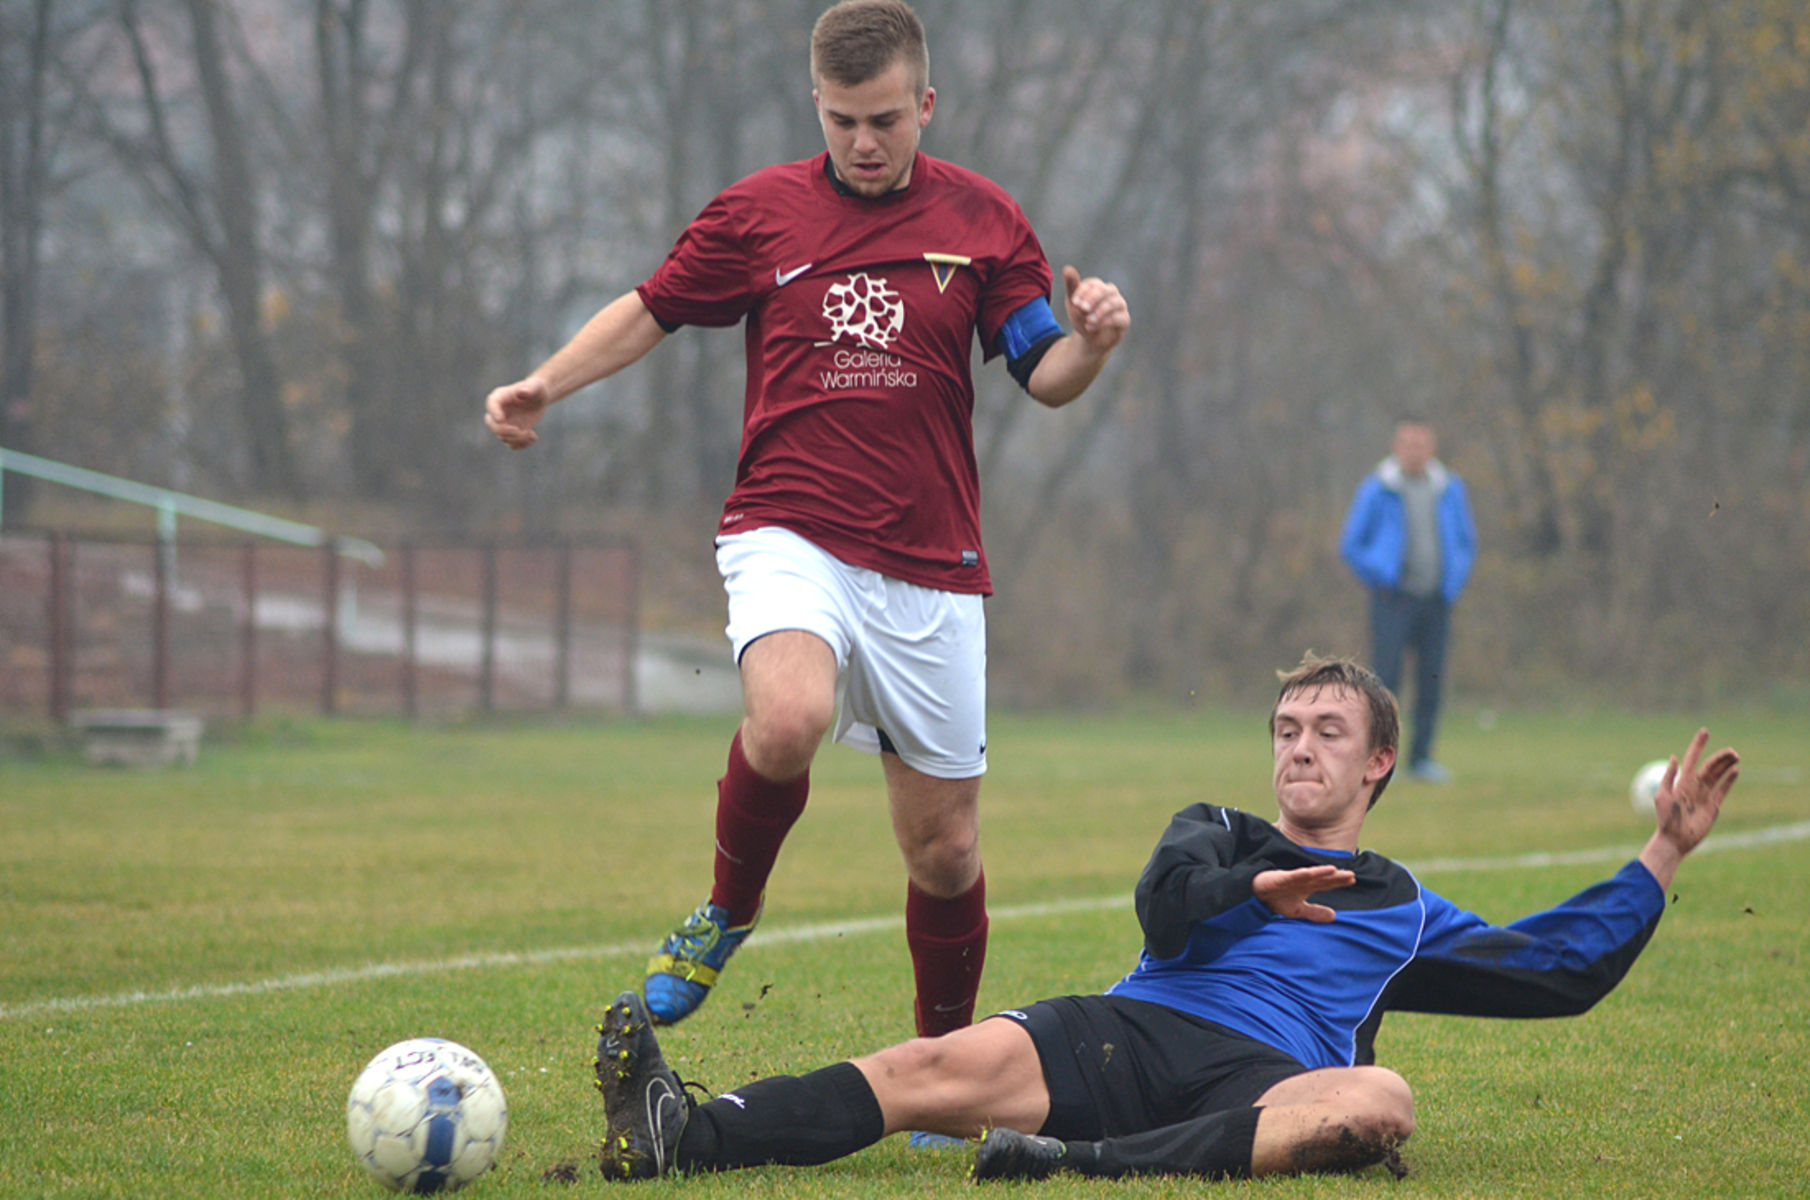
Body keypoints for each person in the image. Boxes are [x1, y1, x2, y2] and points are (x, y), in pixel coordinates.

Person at [482, 0, 1129, 1041]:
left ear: (925, 104)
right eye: (840, 121)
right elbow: (649, 307)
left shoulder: (985, 222)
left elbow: (1044, 375)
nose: (863, 143)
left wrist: (1094, 342)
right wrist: (543, 386)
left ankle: (940, 1059)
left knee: (945, 853)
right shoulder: (757, 214)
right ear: (815, 108)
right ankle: (726, 911)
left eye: (883, 120)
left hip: (931, 560)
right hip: (789, 527)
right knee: (787, 718)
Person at [588, 653, 1739, 1183]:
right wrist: (1254, 888)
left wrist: (1663, 848)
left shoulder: (1400, 907)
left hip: (1263, 1079)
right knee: (927, 1064)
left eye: (1325, 732)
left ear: (1378, 760)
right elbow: (1161, 908)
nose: (1298, 747)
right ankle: (682, 1133)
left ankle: (1074, 1165)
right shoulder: (1220, 830)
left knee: (1379, 1100)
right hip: (1127, 1033)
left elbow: (1554, 968)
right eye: (1286, 729)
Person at [1340, 418, 1477, 783]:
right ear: (1396, 445)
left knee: (1431, 679)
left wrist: (1453, 581)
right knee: (1385, 682)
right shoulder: (1378, 488)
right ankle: (1383, 761)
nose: (1413, 450)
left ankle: (1422, 758)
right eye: (1407, 442)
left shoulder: (1449, 488)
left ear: (1430, 446)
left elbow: (1465, 542)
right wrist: (1383, 576)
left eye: (1420, 443)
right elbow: (1352, 544)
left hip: (1436, 600)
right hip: (1392, 600)